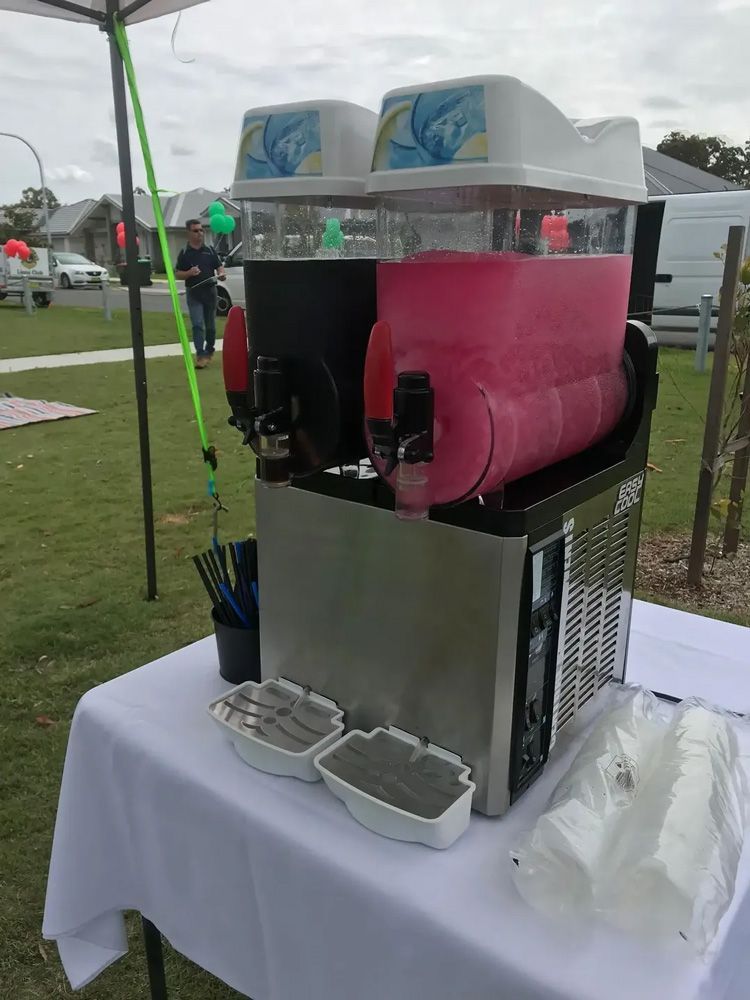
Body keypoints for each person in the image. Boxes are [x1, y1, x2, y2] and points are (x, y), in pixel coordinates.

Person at [175, 219, 226, 369]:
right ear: (188, 233)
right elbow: (178, 274)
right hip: (194, 293)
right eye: (196, 231)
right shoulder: (184, 253)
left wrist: (222, 274)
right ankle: (200, 355)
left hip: (210, 291)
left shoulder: (209, 250)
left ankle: (209, 349)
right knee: (197, 325)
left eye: (201, 230)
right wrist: (189, 273)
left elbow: (219, 267)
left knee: (210, 326)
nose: (199, 233)